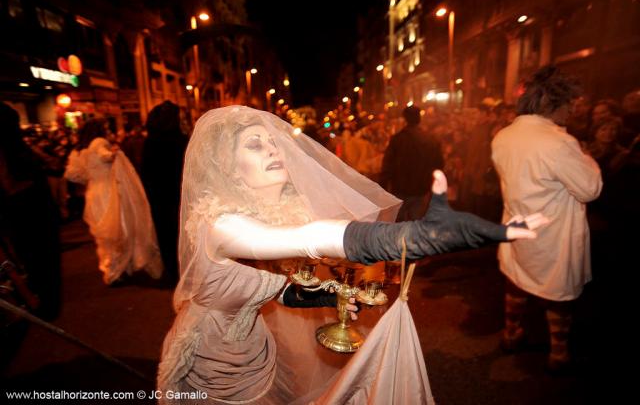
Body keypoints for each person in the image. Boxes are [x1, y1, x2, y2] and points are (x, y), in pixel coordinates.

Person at [157, 105, 546, 403]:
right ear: (231, 169)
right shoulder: (222, 225)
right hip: (208, 354)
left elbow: (274, 287)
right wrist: (412, 237)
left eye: (275, 142)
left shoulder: (280, 213)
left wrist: (325, 294)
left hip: (253, 347)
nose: (273, 150)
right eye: (254, 145)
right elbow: (314, 238)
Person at [491, 66, 602, 373]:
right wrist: (588, 156)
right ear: (555, 103)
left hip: (517, 226)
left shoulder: (504, 135)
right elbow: (590, 189)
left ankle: (511, 333)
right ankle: (559, 353)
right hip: (552, 233)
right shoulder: (558, 143)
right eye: (571, 105)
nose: (573, 111)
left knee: (517, 281)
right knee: (558, 294)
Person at [64, 119, 163, 285]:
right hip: (107, 193)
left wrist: (91, 177)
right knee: (117, 232)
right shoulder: (99, 142)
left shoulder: (79, 149)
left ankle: (112, 269)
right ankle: (116, 270)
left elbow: (72, 175)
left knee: (103, 236)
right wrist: (115, 152)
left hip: (92, 193)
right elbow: (106, 156)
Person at [0, 102, 61, 320]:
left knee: (36, 263)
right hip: (36, 212)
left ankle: (42, 305)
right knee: (45, 263)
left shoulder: (10, 150)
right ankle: (46, 304)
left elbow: (8, 185)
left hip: (25, 214)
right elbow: (53, 165)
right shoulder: (21, 148)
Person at [141, 101, 188, 285]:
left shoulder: (150, 142)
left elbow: (146, 172)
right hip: (178, 197)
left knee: (166, 236)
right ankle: (182, 271)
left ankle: (173, 272)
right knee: (181, 235)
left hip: (160, 198)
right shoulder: (180, 141)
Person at [379, 105, 444, 221]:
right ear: (419, 119)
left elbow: (387, 165)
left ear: (405, 119)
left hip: (400, 189)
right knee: (417, 224)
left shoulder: (397, 139)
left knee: (398, 225)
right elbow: (439, 164)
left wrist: (382, 186)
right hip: (421, 189)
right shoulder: (430, 140)